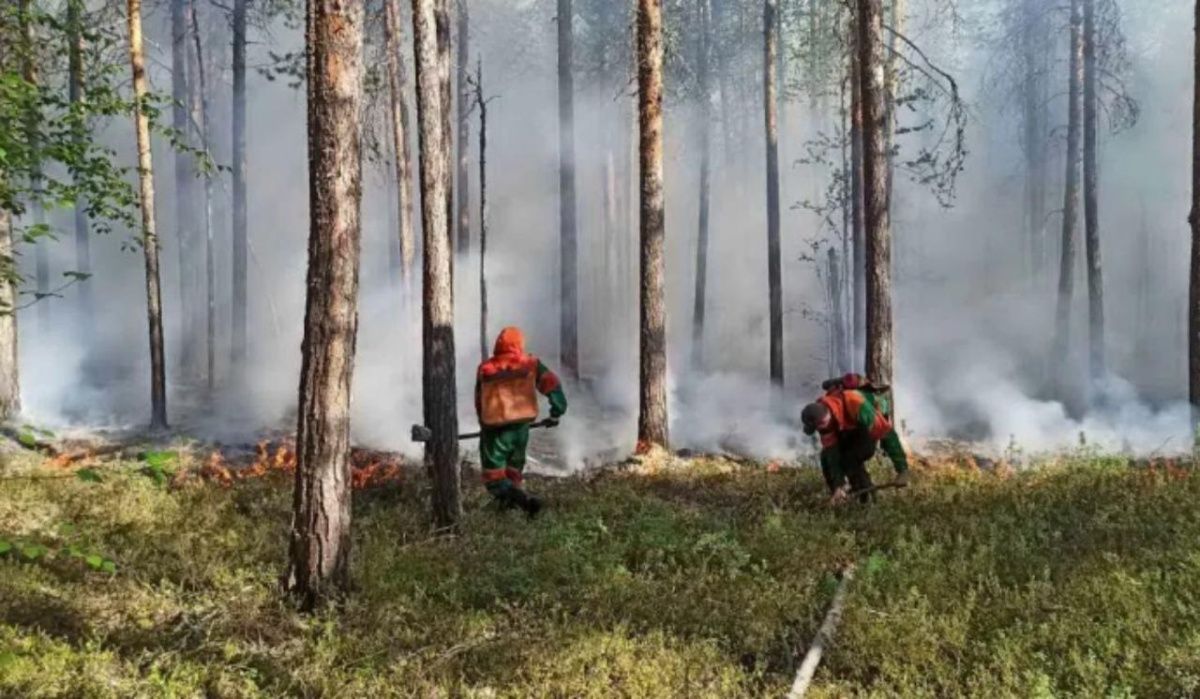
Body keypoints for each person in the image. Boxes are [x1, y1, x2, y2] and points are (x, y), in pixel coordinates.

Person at [475, 326, 568, 518]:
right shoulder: (531, 364)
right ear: (519, 345)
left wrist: (483, 425)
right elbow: (552, 384)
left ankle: (524, 502)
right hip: (521, 429)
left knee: (494, 477)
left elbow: (479, 401)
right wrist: (556, 412)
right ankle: (510, 509)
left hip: (495, 431)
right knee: (513, 470)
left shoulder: (485, 368)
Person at [801, 374, 908, 504]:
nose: (822, 429)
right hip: (850, 427)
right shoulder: (823, 422)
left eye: (822, 425)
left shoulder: (854, 402)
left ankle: (866, 499)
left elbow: (884, 431)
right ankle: (841, 495)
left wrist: (902, 470)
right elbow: (832, 454)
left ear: (826, 416)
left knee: (850, 457)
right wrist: (838, 485)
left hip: (867, 419)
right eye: (818, 428)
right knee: (826, 458)